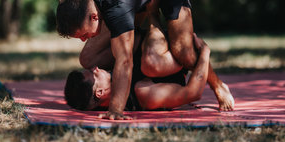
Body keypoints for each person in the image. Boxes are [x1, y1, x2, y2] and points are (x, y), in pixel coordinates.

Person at [57, 0, 233, 119]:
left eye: (83, 35)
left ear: (94, 17)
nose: (82, 40)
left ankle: (218, 85)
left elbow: (125, 61)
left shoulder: (117, 10)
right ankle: (149, 28)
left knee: (184, 53)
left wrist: (116, 110)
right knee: (87, 58)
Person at [64, 29, 210, 112]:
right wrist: (205, 52)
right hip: (169, 51)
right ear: (100, 92)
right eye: (93, 74)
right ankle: (151, 12)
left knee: (86, 58)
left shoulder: (109, 77)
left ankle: (127, 10)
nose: (95, 68)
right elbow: (193, 93)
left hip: (140, 34)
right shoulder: (143, 93)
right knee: (149, 64)